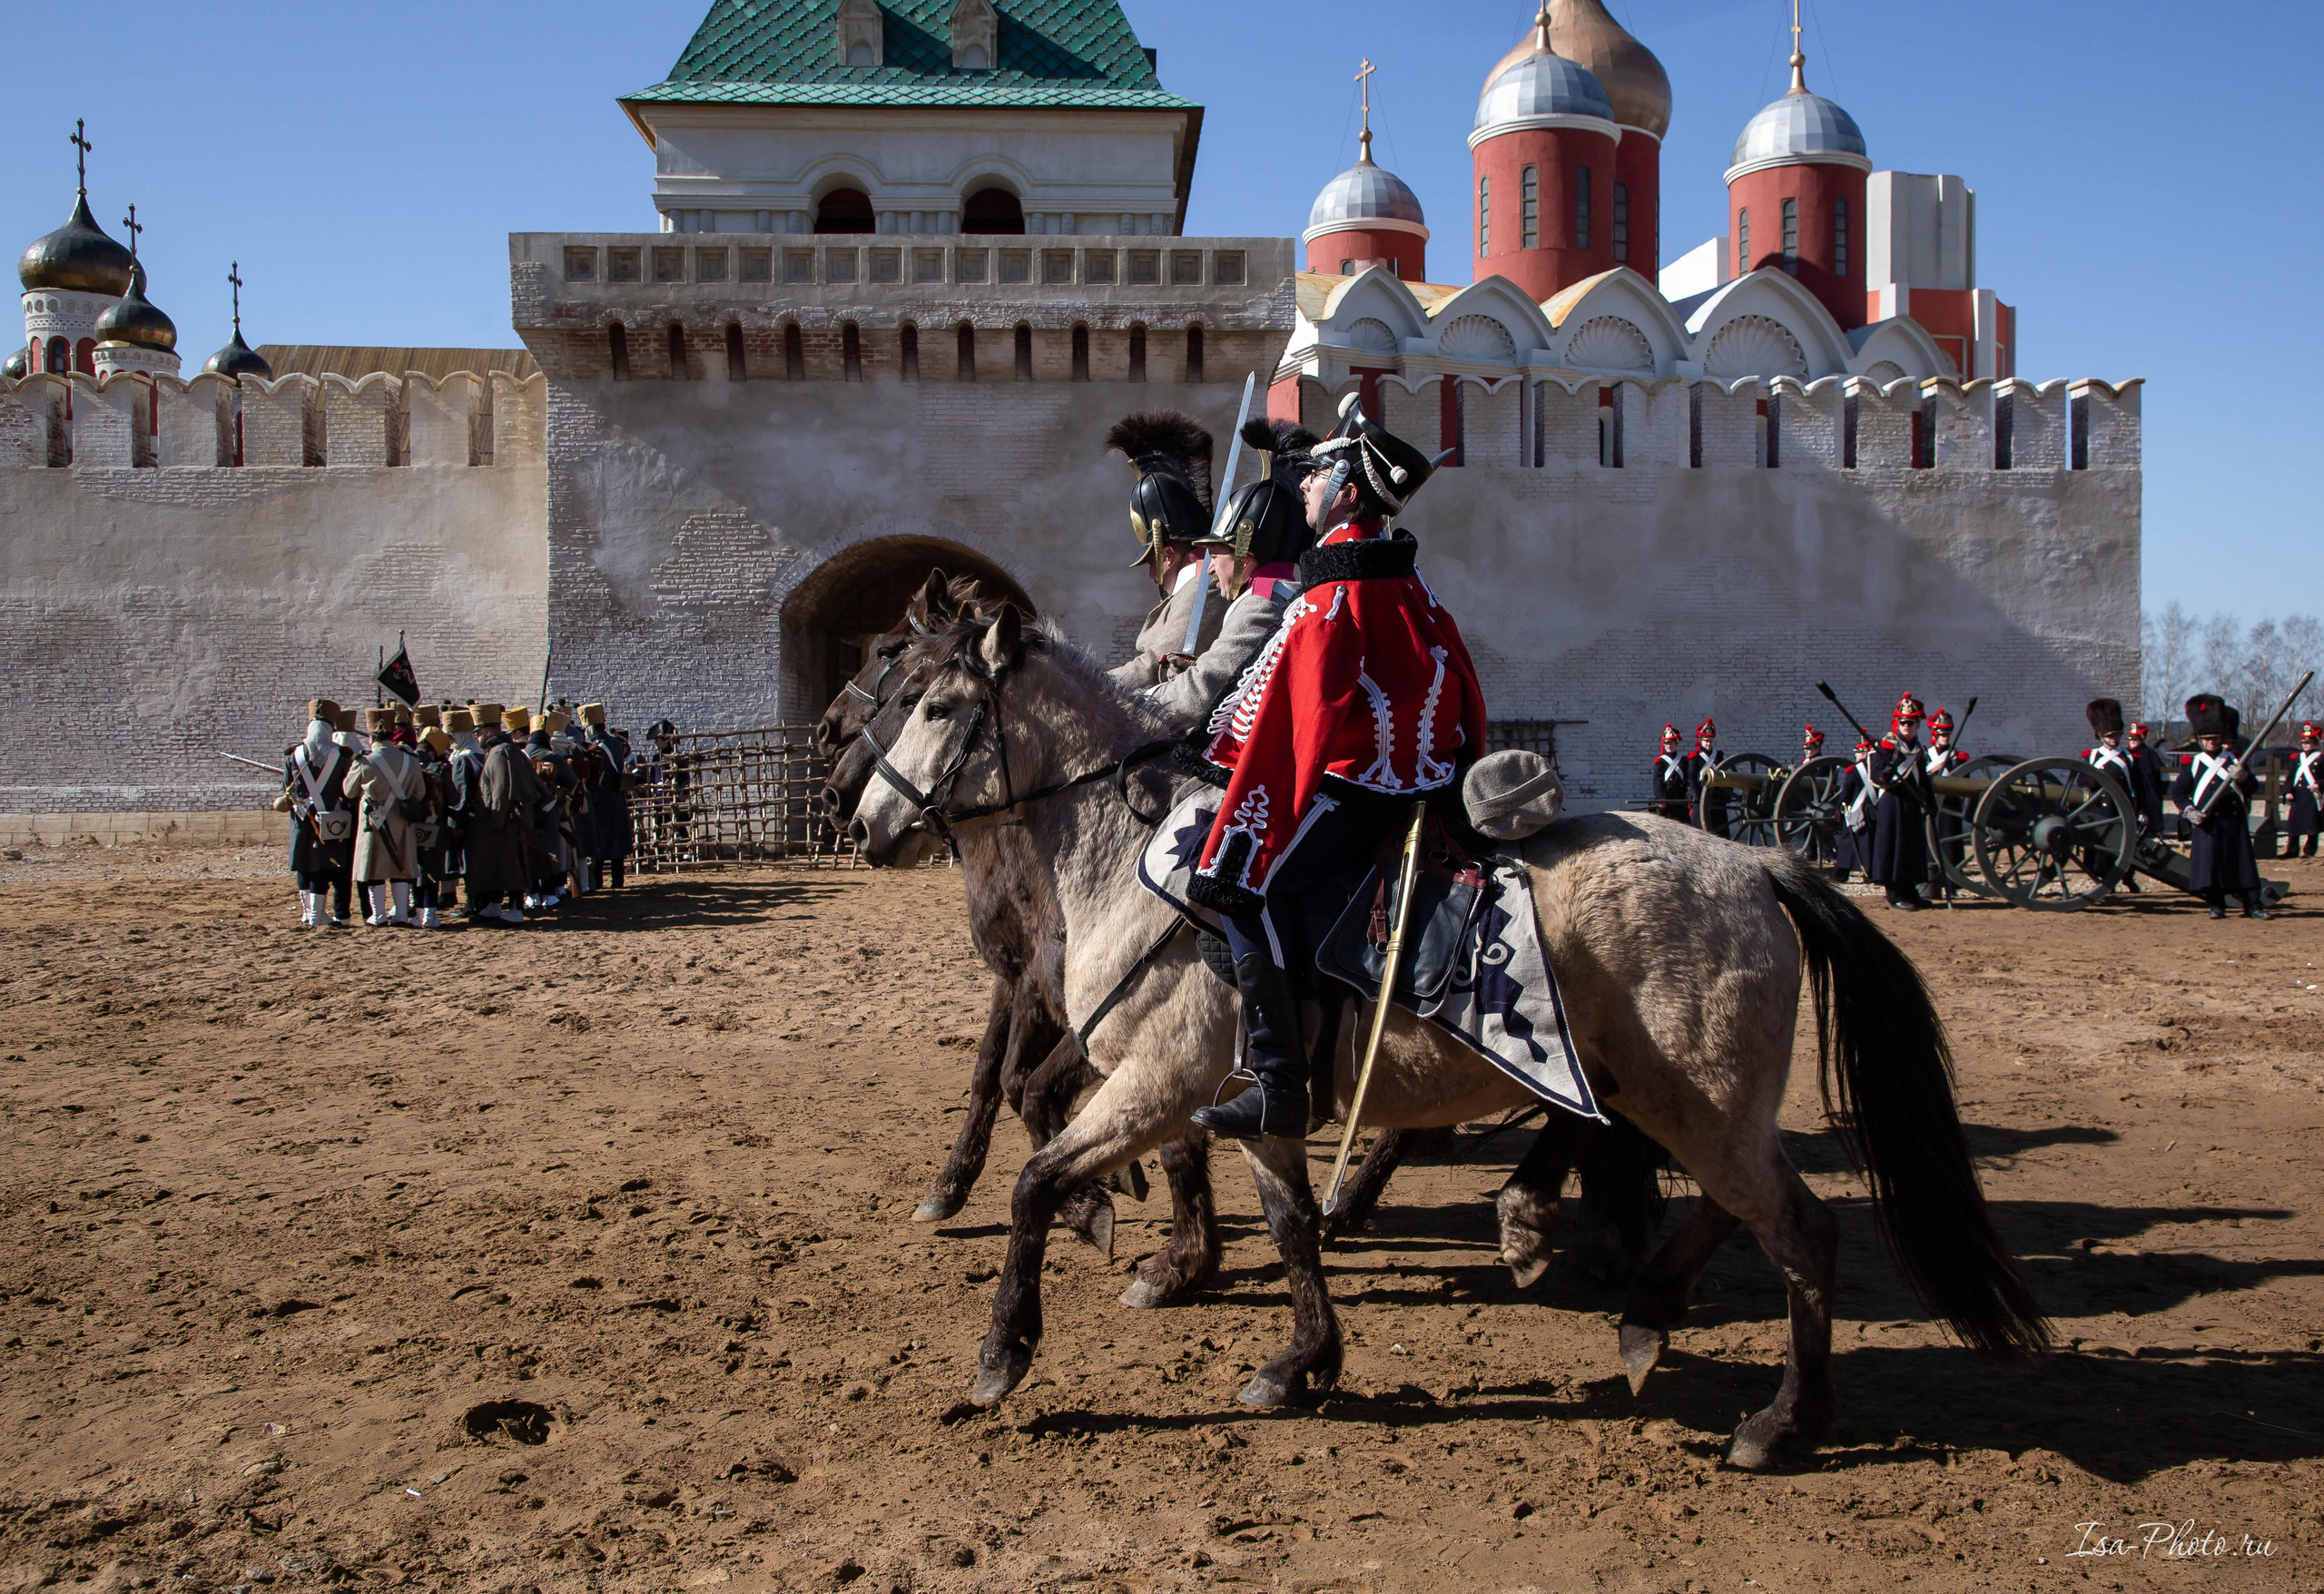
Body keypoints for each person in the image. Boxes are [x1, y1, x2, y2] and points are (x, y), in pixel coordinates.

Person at [1184, 396, 1486, 1140]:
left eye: (1318, 476)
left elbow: (1298, 716)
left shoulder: (1332, 595)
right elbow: (1465, 693)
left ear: (1349, 490)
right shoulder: (1414, 588)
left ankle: (1279, 1080)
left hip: (1356, 792)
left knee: (1234, 879)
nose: (1306, 489)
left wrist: (1231, 770)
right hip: (1425, 786)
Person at [1140, 418, 1320, 730]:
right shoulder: (1270, 594)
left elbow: (1201, 691)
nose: (1209, 567)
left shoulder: (1262, 604)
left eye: (1218, 553)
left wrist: (1126, 703)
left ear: (1244, 557)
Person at [1104, 410, 1225, 691]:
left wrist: (1090, 685)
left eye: (1151, 562)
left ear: (1168, 555)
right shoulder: (1191, 587)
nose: (1151, 575)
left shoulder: (1201, 588)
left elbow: (1156, 665)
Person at [2171, 694, 2267, 919]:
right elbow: (2178, 792)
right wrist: (2188, 810)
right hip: (2207, 822)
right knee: (2209, 867)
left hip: (2233, 821)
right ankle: (2216, 905)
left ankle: (2252, 905)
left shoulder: (2234, 760)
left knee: (2242, 865)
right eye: (2206, 739)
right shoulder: (2193, 763)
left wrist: (2243, 777)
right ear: (2200, 740)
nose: (2211, 743)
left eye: (2214, 739)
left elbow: (2252, 787)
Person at [278, 697, 357, 929]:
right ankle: (317, 914)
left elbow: (286, 789)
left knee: (305, 864)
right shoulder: (342, 756)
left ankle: (310, 914)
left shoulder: (293, 756)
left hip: (303, 819)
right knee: (323, 865)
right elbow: (347, 789)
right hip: (332, 819)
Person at [343, 707, 424, 927]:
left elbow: (349, 791)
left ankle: (378, 915)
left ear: (371, 737)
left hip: (374, 823)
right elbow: (420, 793)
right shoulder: (410, 760)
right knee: (401, 866)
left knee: (374, 869)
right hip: (401, 821)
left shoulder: (363, 761)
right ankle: (400, 914)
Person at [462, 702, 537, 924]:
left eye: (478, 733)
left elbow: (502, 790)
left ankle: (515, 909)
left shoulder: (500, 752)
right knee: (498, 865)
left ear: (486, 731)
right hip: (501, 820)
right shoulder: (501, 751)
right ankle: (494, 907)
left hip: (503, 821)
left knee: (511, 865)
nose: (477, 737)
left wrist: (496, 818)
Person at [1864, 693, 1935, 910]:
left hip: (1911, 805)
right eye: (1903, 722)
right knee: (1894, 848)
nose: (1906, 726)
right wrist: (1886, 773)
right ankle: (1894, 893)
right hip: (1892, 804)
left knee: (1911, 848)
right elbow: (1875, 775)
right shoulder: (1886, 747)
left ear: (1918, 724)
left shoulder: (1918, 751)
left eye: (1911, 722)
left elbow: (1923, 780)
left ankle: (1910, 891)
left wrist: (1930, 802)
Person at [1832, 734, 1876, 883]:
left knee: (1847, 846)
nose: (1856, 755)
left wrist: (1838, 811)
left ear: (1864, 752)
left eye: (1858, 752)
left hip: (1856, 813)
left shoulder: (1854, 771)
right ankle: (1868, 874)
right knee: (1869, 846)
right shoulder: (1876, 769)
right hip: (1871, 813)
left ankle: (1841, 873)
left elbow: (1846, 793)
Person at [2124, 720, 2170, 838]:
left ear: (2141, 739)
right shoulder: (2125, 754)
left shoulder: (2149, 753)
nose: (2133, 742)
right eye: (2131, 739)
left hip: (2148, 788)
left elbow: (2158, 777)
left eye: (2136, 739)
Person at [1681, 717, 1725, 837]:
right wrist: (1697, 796)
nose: (1708, 743)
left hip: (1716, 797)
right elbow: (1692, 778)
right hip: (1701, 797)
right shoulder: (1695, 758)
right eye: (1706, 740)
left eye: (1710, 740)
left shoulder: (1718, 756)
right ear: (1700, 740)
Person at [2286, 720, 2321, 860]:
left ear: (2315, 743)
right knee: (2293, 824)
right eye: (2304, 743)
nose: (2306, 745)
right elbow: (2290, 776)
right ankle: (2292, 850)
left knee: (2312, 824)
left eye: (2309, 743)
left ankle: (2309, 851)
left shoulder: (2321, 758)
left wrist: (2319, 785)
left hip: (2312, 795)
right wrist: (2288, 791)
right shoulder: (2297, 758)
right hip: (2298, 794)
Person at [1649, 723, 1689, 820]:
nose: (1669, 746)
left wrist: (1688, 797)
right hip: (1667, 801)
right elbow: (1657, 782)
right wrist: (1661, 798)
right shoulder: (1661, 762)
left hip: (1680, 801)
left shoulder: (1683, 761)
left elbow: (1687, 779)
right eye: (1666, 743)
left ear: (1676, 743)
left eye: (1671, 743)